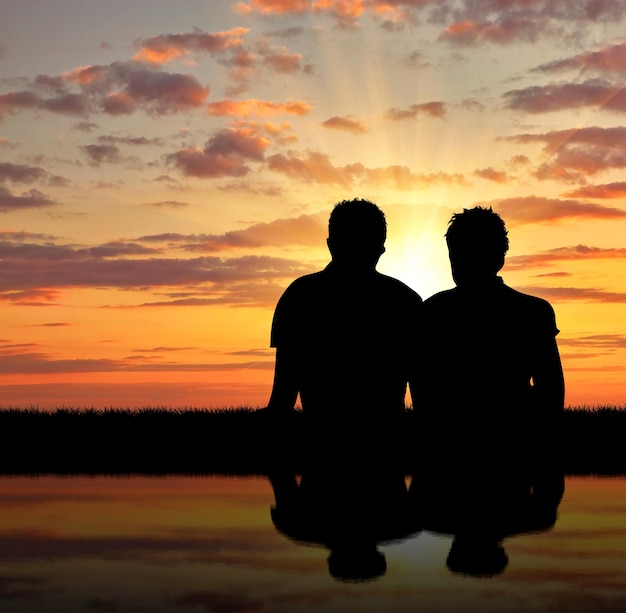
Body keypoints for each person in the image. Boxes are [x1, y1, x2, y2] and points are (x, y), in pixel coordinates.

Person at [413, 206, 564, 471]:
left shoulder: (433, 311)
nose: (458, 262)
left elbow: (423, 391)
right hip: (509, 452)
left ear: (498, 257)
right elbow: (551, 392)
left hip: (453, 455)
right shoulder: (533, 311)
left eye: (464, 253)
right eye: (455, 254)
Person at [264, 198, 422, 443]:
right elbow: (422, 398)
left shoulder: (300, 296)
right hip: (385, 447)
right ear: (381, 248)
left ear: (330, 245)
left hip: (321, 447)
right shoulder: (405, 300)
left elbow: (282, 399)